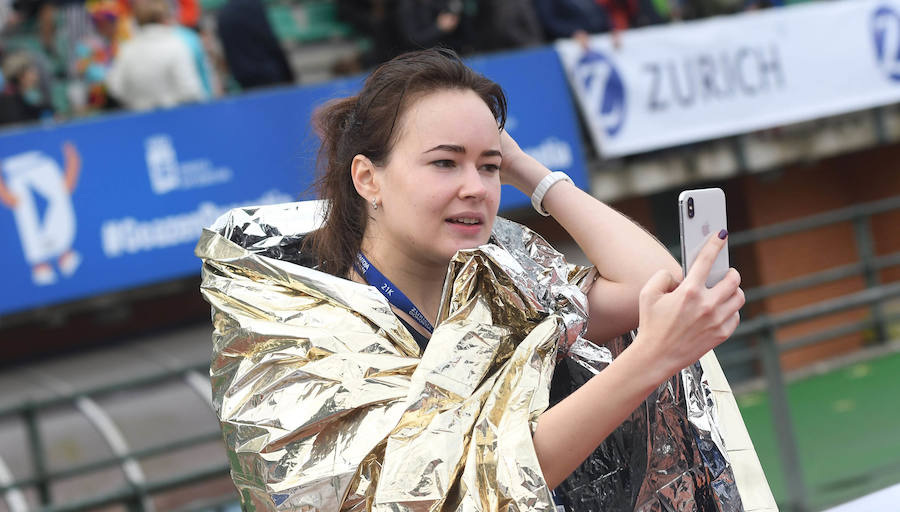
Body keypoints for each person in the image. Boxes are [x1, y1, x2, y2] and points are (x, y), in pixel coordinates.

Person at [197, 48, 745, 511]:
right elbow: (452, 492)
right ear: (367, 178)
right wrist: (649, 359)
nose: (477, 188)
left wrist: (534, 174)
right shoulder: (296, 335)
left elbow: (658, 285)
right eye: (444, 163)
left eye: (488, 166)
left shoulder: (501, 281)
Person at [105, 0, 205, 110]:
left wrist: (136, 101)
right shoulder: (176, 45)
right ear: (163, 19)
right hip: (174, 116)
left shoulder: (127, 49)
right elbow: (190, 90)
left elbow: (115, 87)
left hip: (139, 116)